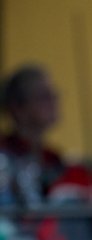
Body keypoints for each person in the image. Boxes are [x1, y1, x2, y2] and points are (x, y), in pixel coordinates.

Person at [0, 65, 64, 206]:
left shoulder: (53, 157)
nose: (53, 102)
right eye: (44, 96)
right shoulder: (4, 153)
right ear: (17, 108)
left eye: (54, 95)